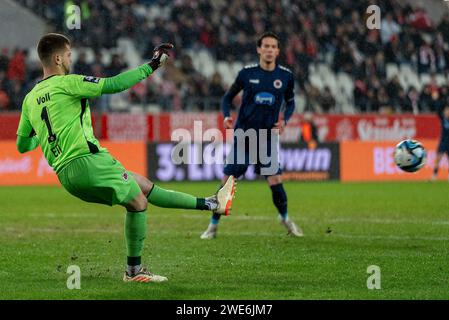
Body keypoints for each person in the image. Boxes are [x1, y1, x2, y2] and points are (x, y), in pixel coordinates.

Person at [15, 33, 236, 283]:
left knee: (142, 184)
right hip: (89, 161)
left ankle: (211, 203)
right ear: (57, 58)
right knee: (138, 202)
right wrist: (152, 65)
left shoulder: (29, 99)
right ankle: (134, 272)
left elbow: (23, 145)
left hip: (67, 176)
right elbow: (113, 84)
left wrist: (44, 137)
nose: (69, 59)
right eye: (67, 55)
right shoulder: (68, 83)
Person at [200, 32, 303, 239]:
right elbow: (227, 98)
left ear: (278, 51)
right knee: (228, 181)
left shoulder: (285, 76)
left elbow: (291, 102)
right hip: (244, 136)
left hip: (267, 138)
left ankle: (285, 218)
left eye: (274, 46)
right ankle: (212, 225)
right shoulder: (246, 74)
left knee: (275, 181)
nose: (269, 50)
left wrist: (285, 120)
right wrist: (227, 116)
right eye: (266, 46)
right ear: (259, 49)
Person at [431, 100, 449, 181]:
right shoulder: (442, 118)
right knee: (438, 159)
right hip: (442, 142)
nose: (447, 112)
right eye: (446, 110)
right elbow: (437, 110)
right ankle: (434, 175)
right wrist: (437, 99)